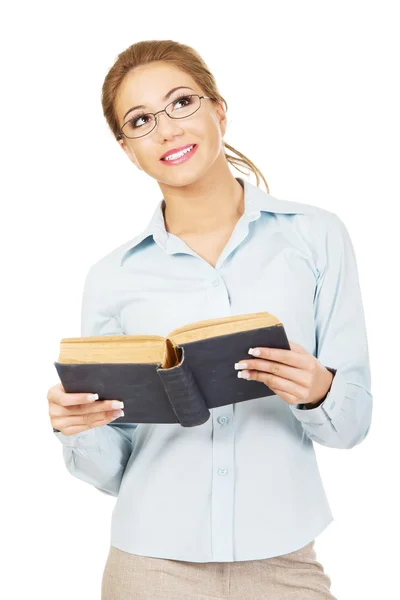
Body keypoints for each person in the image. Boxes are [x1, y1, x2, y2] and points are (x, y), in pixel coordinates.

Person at [47, 39, 372, 600]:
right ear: (128, 150)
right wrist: (78, 427)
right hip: (149, 567)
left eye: (181, 103)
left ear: (218, 110)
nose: (167, 130)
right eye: (141, 120)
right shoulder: (112, 277)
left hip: (285, 560)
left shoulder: (316, 237)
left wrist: (319, 390)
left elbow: (354, 423)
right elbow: (108, 471)